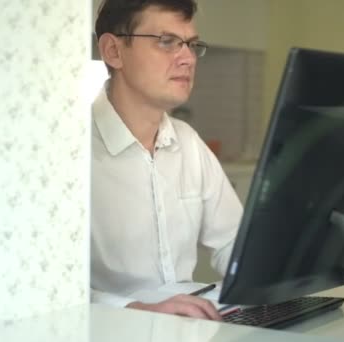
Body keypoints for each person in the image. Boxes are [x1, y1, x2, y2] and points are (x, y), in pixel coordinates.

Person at [91, 0, 242, 321]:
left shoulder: (188, 142)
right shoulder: (69, 152)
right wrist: (133, 309)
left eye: (191, 44)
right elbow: (40, 285)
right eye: (167, 42)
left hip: (187, 327)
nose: (187, 58)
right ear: (113, 51)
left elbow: (233, 244)